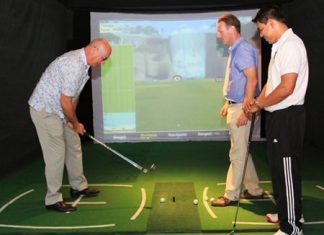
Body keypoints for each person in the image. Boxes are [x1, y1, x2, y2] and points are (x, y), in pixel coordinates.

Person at [245, 5, 308, 235]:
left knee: (287, 171)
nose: (261, 35)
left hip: (287, 117)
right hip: (278, 116)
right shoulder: (280, 48)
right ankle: (287, 213)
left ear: (271, 22)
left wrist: (261, 104)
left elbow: (286, 88)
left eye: (262, 29)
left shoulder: (291, 46)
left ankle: (291, 227)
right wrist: (256, 102)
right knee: (279, 171)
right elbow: (272, 86)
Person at [29, 38, 112, 212]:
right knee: (56, 153)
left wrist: (71, 122)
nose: (103, 62)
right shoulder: (73, 64)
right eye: (103, 58)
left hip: (60, 110)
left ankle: (78, 186)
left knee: (73, 143)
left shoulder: (84, 65)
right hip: (46, 110)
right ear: (94, 50)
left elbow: (73, 96)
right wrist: (75, 122)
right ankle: (52, 199)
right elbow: (65, 100)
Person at [211, 14, 264, 207]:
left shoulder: (242, 49)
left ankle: (231, 195)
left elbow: (252, 79)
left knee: (237, 153)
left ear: (232, 29)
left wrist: (245, 110)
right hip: (238, 104)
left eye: (220, 30)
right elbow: (238, 80)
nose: (219, 35)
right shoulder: (237, 49)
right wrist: (228, 102)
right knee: (243, 150)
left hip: (244, 107)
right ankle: (255, 190)